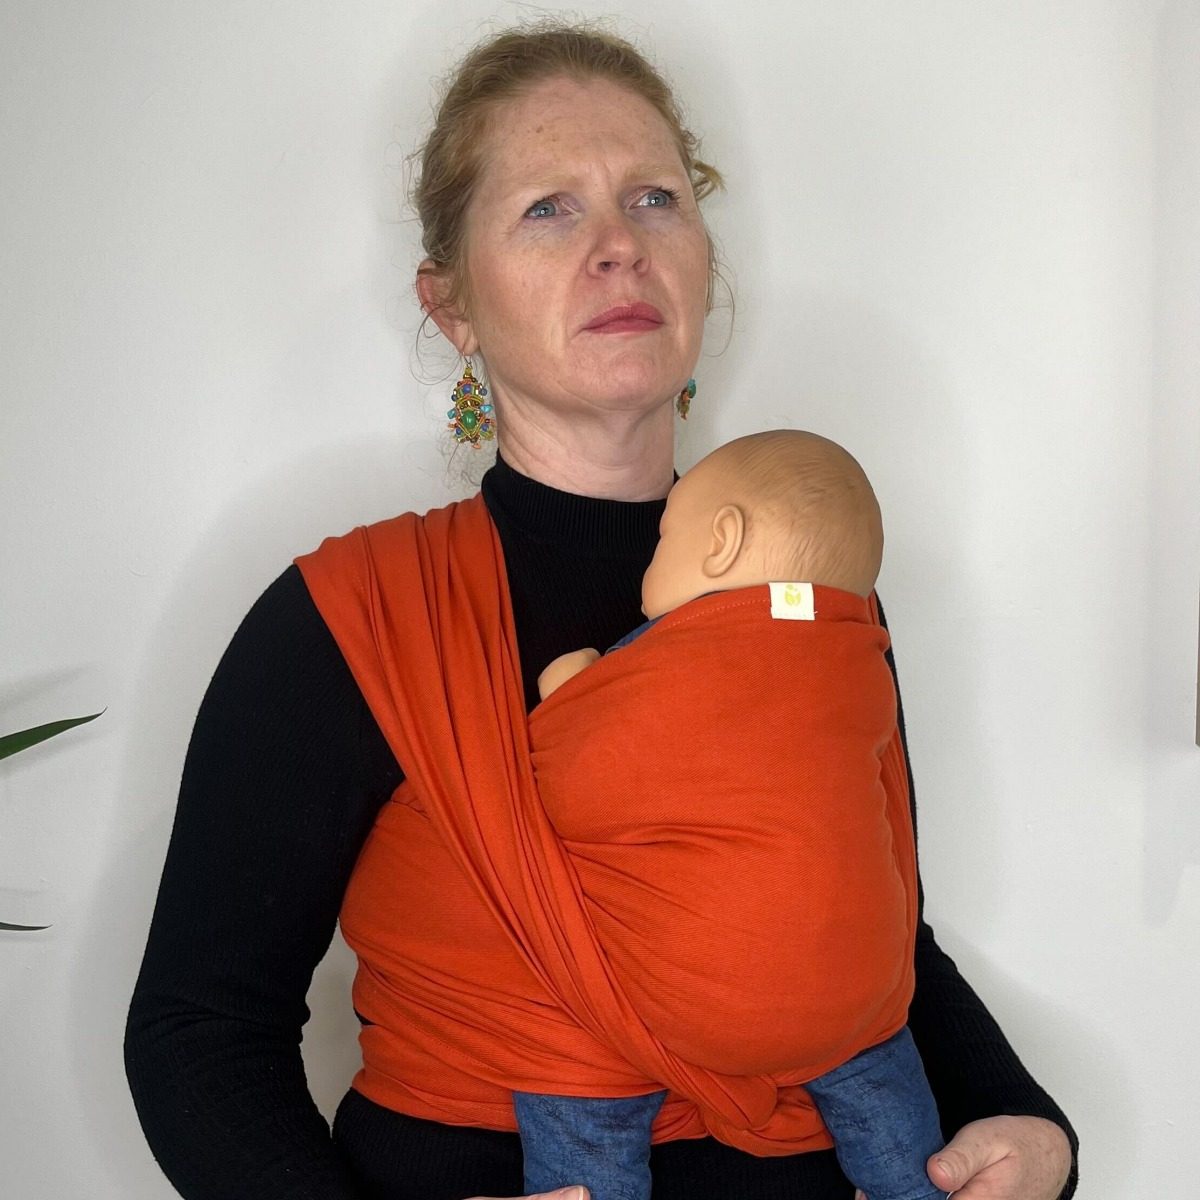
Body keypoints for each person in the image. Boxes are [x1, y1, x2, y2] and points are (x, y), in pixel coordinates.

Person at [125, 23, 1078, 1200]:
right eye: (548, 209)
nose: (620, 245)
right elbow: (199, 1030)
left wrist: (1030, 1125)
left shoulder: (817, 596)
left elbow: (878, 942)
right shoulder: (353, 619)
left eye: (654, 199)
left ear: (704, 260)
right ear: (452, 305)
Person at [516, 429, 945, 1200]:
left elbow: (570, 789)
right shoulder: (859, 664)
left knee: (573, 1068)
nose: (650, 557)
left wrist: (573, 689)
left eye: (663, 537)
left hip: (699, 1004)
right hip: (863, 1001)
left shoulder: (678, 662)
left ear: (720, 543)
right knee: (883, 1088)